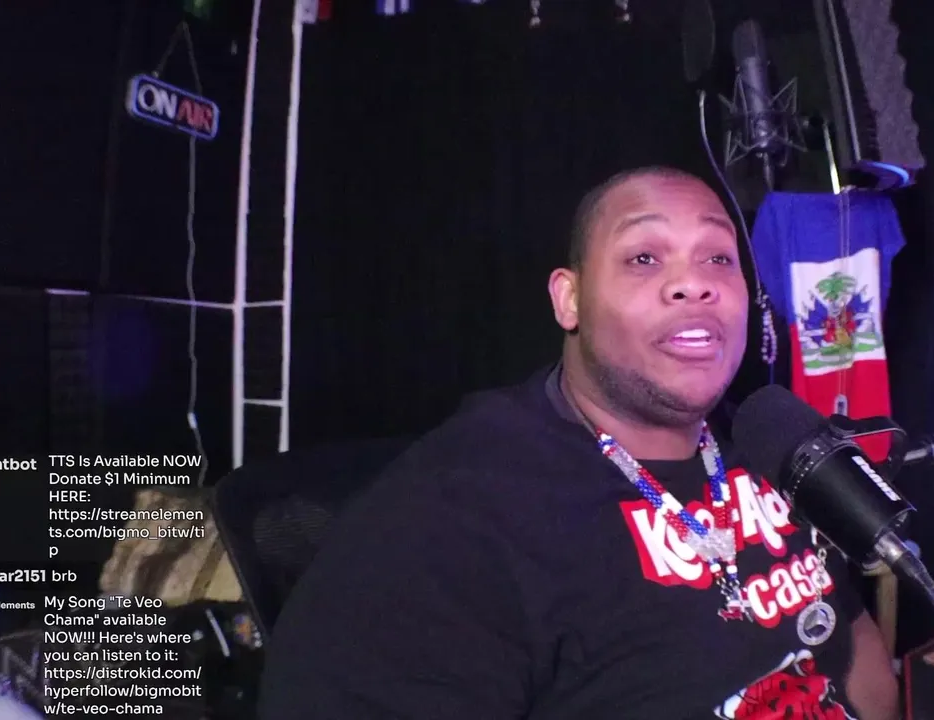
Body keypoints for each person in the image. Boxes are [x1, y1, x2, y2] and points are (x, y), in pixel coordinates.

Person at [258, 167, 899, 719]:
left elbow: (853, 637)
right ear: (569, 299)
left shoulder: (769, 441)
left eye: (718, 258)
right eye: (644, 258)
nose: (694, 283)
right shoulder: (451, 518)